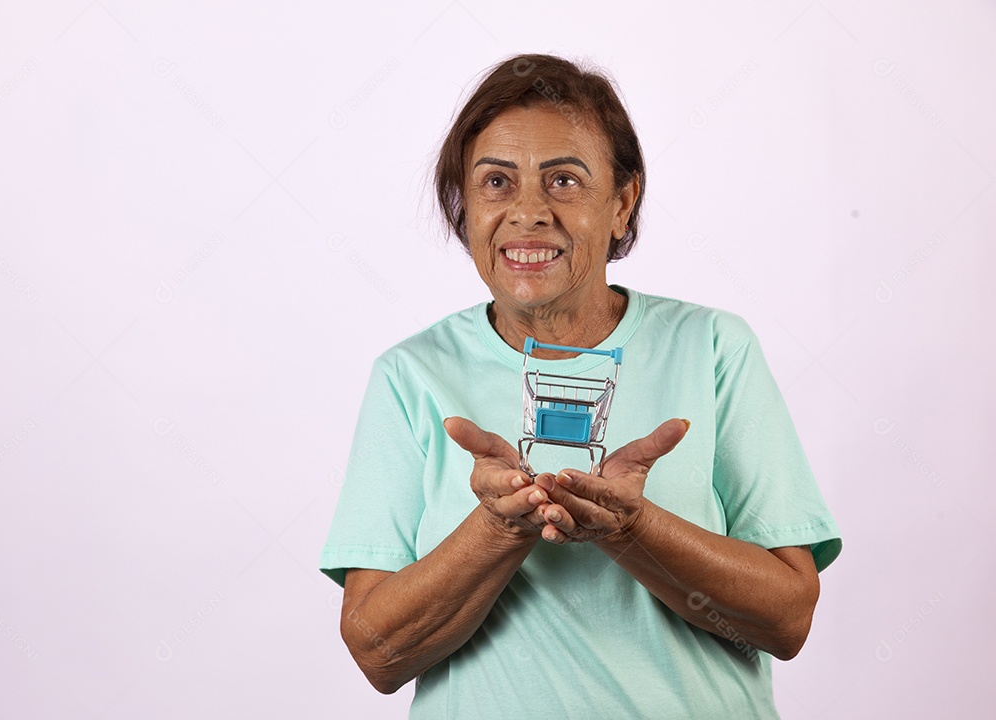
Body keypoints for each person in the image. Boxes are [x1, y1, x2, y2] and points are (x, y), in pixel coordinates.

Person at [320, 53, 841, 718]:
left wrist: (632, 528)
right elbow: (376, 653)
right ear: (465, 205)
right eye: (496, 183)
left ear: (622, 203)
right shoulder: (411, 376)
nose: (528, 212)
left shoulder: (712, 349)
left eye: (563, 180)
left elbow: (787, 619)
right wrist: (497, 532)